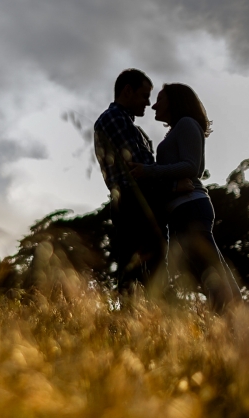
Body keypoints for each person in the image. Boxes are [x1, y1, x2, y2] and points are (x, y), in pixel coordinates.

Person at [129, 83, 241, 311]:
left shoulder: (186, 123)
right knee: (211, 270)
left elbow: (192, 167)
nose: (154, 106)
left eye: (160, 99)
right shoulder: (178, 128)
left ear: (174, 100)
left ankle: (231, 323)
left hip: (191, 207)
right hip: (183, 209)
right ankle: (239, 319)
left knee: (208, 272)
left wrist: (148, 170)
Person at [94, 69, 191, 292]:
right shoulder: (115, 119)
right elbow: (138, 169)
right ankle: (140, 321)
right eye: (145, 95)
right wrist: (174, 185)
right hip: (134, 204)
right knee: (147, 273)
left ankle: (143, 321)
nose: (148, 103)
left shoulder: (126, 123)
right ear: (128, 91)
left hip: (135, 203)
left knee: (144, 272)